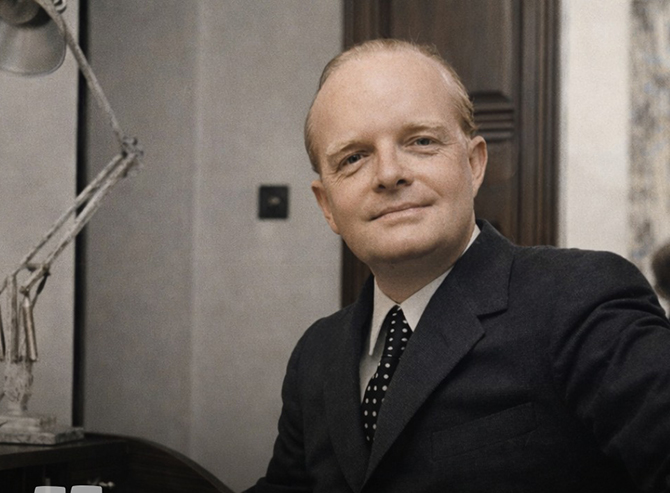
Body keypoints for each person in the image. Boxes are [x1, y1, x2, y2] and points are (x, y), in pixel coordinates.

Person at [245, 39, 670, 493]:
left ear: (474, 164)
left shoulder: (582, 300)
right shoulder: (315, 355)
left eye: (420, 141)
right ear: (327, 205)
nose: (388, 174)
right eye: (354, 158)